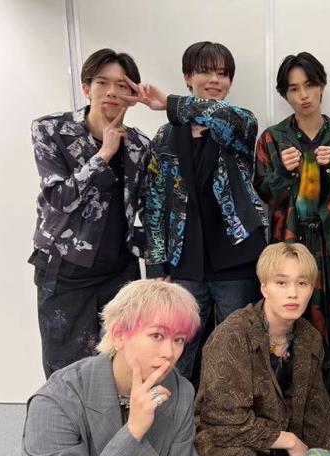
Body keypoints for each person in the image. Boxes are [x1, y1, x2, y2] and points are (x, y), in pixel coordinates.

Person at [122, 41, 267, 388]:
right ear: (188, 77)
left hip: (236, 258)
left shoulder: (238, 123)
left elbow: (227, 116)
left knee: (238, 348)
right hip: (184, 262)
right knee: (177, 350)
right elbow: (155, 203)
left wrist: (169, 103)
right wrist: (157, 266)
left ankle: (234, 415)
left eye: (222, 73)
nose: (215, 80)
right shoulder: (165, 135)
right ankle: (177, 415)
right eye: (205, 71)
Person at [29, 48, 150, 378]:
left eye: (122, 85)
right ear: (86, 87)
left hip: (119, 272)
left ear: (133, 95)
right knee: (67, 373)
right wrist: (104, 154)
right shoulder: (51, 130)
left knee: (121, 367)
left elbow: (145, 207)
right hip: (66, 271)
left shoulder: (140, 145)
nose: (112, 92)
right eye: (102, 82)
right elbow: (59, 198)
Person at [254, 52, 330, 400]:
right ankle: (285, 410)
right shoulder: (272, 138)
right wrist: (283, 172)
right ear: (285, 94)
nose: (303, 95)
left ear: (321, 86)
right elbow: (263, 195)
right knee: (282, 327)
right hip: (286, 244)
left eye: (310, 85)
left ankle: (323, 410)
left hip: (329, 248)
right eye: (293, 89)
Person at [194, 242, 330, 456]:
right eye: (281, 283)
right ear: (264, 288)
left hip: (285, 431)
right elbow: (224, 421)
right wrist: (289, 441)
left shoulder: (309, 337)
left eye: (302, 283)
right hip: (229, 438)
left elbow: (316, 412)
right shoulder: (233, 335)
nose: (293, 293)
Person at [22, 279, 202, 456]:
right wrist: (133, 431)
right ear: (118, 335)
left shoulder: (180, 392)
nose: (169, 353)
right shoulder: (56, 401)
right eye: (157, 335)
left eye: (178, 339)